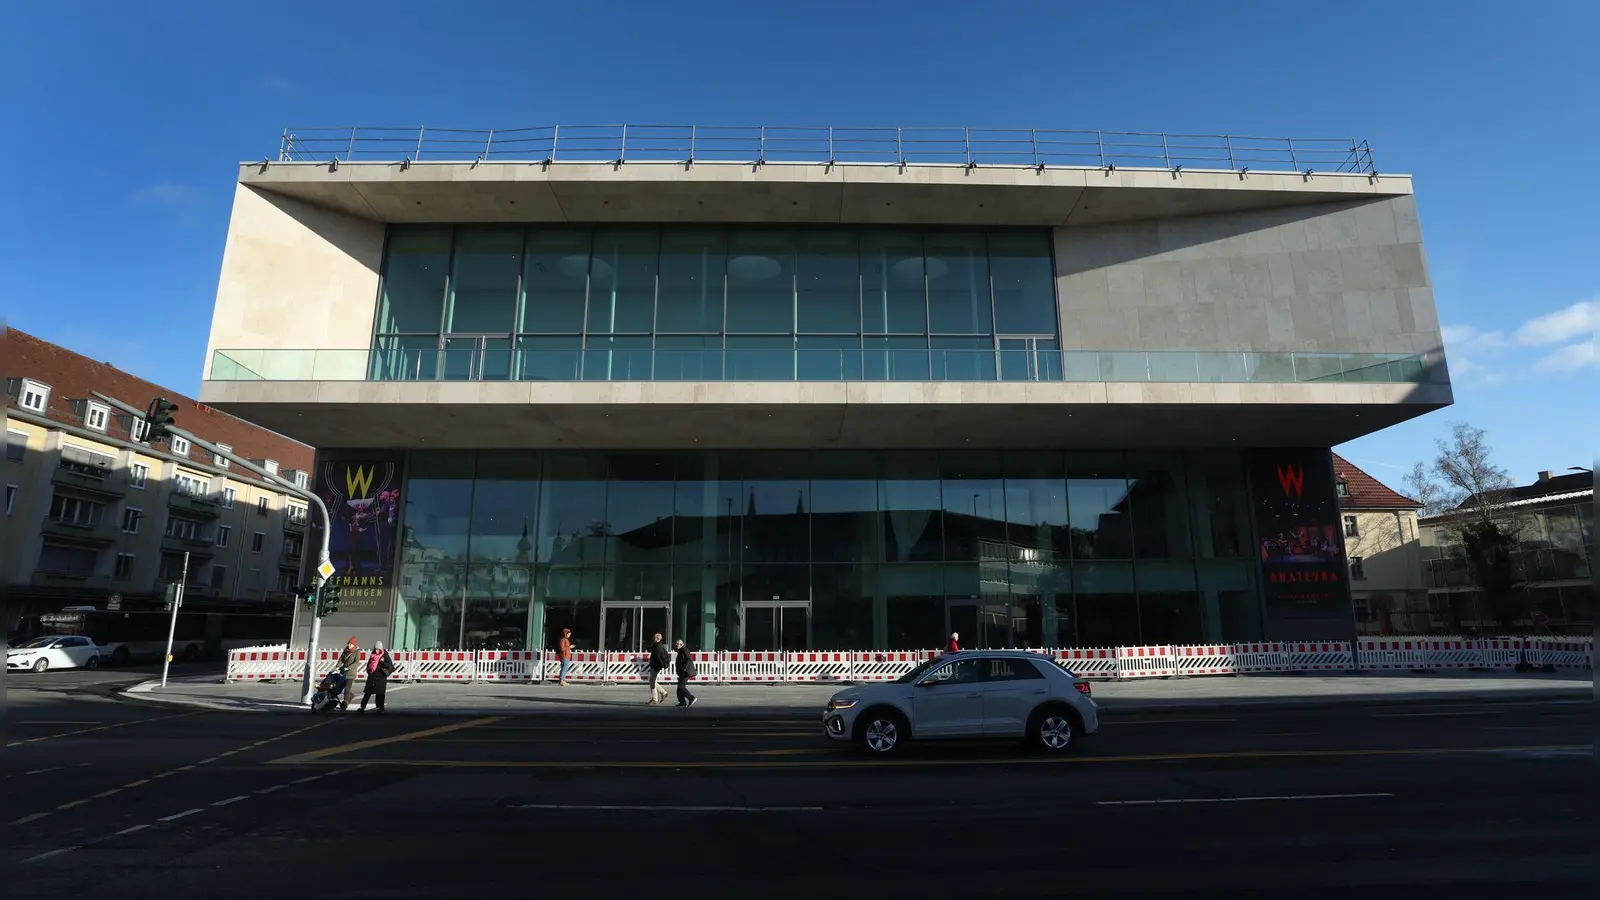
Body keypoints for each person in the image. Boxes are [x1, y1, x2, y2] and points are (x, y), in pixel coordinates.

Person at [359, 641, 396, 713]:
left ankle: (380, 707)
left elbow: (390, 665)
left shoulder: (385, 655)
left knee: (380, 693)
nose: (376, 651)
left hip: (381, 676)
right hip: (372, 676)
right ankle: (362, 707)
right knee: (367, 692)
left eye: (378, 649)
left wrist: (382, 662)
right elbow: (369, 664)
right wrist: (369, 671)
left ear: (381, 649)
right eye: (375, 649)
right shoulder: (372, 655)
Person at [336, 637, 362, 710]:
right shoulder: (346, 650)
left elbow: (356, 662)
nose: (349, 645)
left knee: (347, 688)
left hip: (351, 673)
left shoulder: (357, 652)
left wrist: (349, 667)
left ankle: (345, 704)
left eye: (350, 644)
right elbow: (341, 659)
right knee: (340, 688)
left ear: (354, 645)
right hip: (343, 672)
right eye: (348, 644)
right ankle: (351, 695)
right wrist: (337, 666)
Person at [646, 633, 671, 705]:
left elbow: (657, 657)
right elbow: (649, 648)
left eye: (654, 637)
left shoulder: (658, 646)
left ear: (657, 638)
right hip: (655, 666)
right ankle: (663, 693)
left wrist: (658, 666)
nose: (653, 638)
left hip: (656, 666)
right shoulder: (656, 645)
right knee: (652, 681)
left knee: (652, 682)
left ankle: (655, 699)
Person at [674, 639, 697, 708]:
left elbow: (689, 659)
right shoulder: (680, 651)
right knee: (679, 688)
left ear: (681, 644)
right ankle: (682, 702)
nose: (676, 646)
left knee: (681, 687)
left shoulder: (684, 650)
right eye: (676, 644)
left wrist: (684, 667)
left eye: (677, 644)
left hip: (686, 672)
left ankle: (691, 698)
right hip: (682, 672)